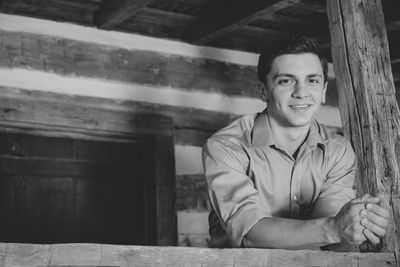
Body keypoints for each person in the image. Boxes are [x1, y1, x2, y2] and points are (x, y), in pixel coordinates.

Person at [202, 36, 389, 249]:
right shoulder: (226, 147)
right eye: (286, 81)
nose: (301, 93)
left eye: (312, 80)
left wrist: (363, 220)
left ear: (324, 92)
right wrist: (334, 229)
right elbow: (250, 234)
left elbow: (334, 235)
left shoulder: (337, 151)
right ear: (263, 91)